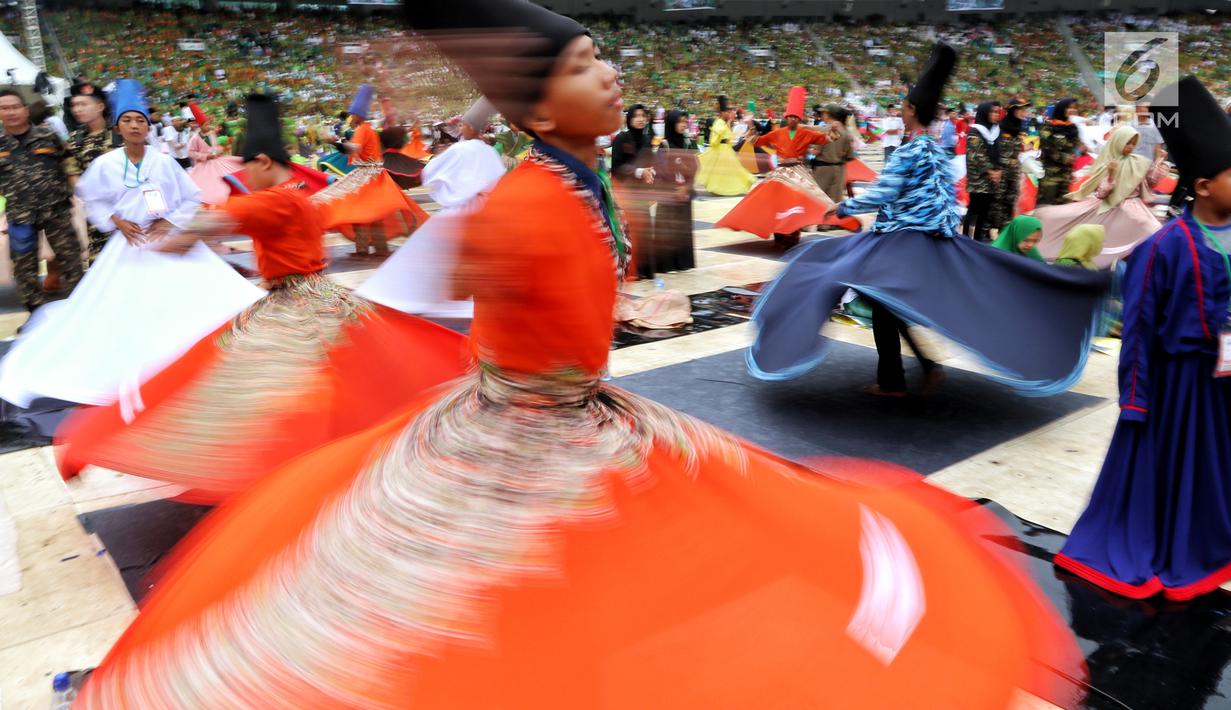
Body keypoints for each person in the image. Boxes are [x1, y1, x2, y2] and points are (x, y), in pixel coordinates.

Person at [74, 9, 1085, 708]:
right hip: (515, 434)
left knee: (653, 568)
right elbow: (434, 262)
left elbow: (550, 261)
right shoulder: (522, 200)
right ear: (544, 112)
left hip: (584, 412)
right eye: (582, 64)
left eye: (603, 54)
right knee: (430, 613)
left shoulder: (584, 179)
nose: (610, 73)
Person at [55, 94, 469, 504]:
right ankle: (347, 452)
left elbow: (208, 226)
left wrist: (168, 243)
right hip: (326, 297)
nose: (244, 178)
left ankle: (294, 464)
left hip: (294, 306)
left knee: (226, 379)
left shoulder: (268, 202)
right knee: (353, 375)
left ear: (264, 162)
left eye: (247, 169)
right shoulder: (300, 198)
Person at [749, 43, 1109, 399]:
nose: (901, 110)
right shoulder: (934, 148)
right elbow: (945, 199)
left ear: (909, 109)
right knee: (888, 306)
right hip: (930, 239)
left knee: (828, 271)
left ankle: (895, 380)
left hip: (902, 241)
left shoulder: (910, 150)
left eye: (903, 105)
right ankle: (921, 367)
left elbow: (884, 193)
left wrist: (840, 209)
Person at [1055, 77, 1231, 601]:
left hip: (1225, 382)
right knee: (1180, 471)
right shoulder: (1164, 248)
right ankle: (1179, 543)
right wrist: (1136, 399)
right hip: (1180, 390)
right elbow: (1138, 330)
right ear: (1202, 186)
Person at [0, 80, 262, 412]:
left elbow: (190, 197)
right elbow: (90, 197)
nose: (135, 126)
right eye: (128, 121)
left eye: (141, 121)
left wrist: (170, 222)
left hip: (165, 239)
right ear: (118, 127)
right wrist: (117, 220)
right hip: (129, 243)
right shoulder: (106, 164)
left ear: (148, 127)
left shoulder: (164, 161)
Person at [357, 96, 507, 318]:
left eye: (463, 126)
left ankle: (438, 293)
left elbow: (431, 171)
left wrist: (447, 189)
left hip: (463, 209)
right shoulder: (488, 150)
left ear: (468, 127)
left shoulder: (462, 149)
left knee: (437, 250)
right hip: (487, 210)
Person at [717, 86, 858, 248]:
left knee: (798, 202)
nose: (792, 119)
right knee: (777, 201)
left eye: (795, 117)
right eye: (790, 116)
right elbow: (757, 141)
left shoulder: (806, 133)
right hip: (780, 172)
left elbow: (828, 139)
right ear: (786, 116)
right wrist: (750, 124)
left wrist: (834, 130)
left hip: (798, 172)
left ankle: (793, 233)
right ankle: (779, 232)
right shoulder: (778, 133)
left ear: (799, 119)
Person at [312, 84, 430, 257]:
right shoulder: (368, 129)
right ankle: (375, 248)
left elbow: (354, 149)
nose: (349, 118)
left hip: (368, 176)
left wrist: (332, 142)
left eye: (351, 114)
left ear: (357, 116)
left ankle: (367, 248)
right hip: (374, 175)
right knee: (371, 212)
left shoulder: (362, 129)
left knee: (360, 210)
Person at [1033, 124, 1166, 268]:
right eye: (1128, 143)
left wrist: (1159, 162)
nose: (1131, 147)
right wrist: (1111, 176)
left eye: (1134, 143)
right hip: (1112, 205)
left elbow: (1150, 182)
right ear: (1118, 142)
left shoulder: (1139, 162)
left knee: (1153, 229)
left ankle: (1139, 261)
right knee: (1052, 216)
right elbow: (1102, 194)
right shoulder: (1108, 163)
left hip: (1133, 206)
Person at [0, 89, 83, 312]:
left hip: (56, 210)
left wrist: (77, 187)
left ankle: (82, 310)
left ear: (26, 110)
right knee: (25, 269)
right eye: (4, 108)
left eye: (15, 107)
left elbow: (69, 162)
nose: (10, 112)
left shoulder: (47, 136)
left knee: (71, 261)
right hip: (21, 215)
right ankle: (36, 315)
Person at [64, 82, 113, 262]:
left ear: (100, 106)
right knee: (102, 263)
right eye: (74, 105)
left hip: (128, 207)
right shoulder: (75, 140)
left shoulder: (119, 133)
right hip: (96, 212)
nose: (77, 109)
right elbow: (72, 174)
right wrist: (95, 196)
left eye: (83, 104)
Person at [650, 108, 699, 274]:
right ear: (672, 123)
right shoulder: (664, 145)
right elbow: (662, 169)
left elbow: (695, 166)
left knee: (683, 227)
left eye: (685, 121)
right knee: (668, 227)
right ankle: (667, 263)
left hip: (684, 191)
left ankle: (682, 262)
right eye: (679, 121)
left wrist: (686, 187)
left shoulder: (688, 143)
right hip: (669, 192)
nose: (683, 125)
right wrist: (675, 188)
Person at [611, 104, 656, 279]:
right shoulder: (622, 138)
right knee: (631, 230)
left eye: (643, 115)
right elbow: (617, 166)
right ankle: (630, 269)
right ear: (629, 119)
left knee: (644, 228)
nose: (640, 119)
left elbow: (651, 162)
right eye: (636, 115)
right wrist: (639, 172)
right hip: (625, 191)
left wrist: (651, 172)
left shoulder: (647, 139)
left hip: (641, 192)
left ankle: (644, 269)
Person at [694, 95, 755, 196]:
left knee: (732, 171)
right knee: (723, 172)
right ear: (722, 113)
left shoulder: (724, 123)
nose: (730, 114)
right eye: (727, 112)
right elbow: (714, 140)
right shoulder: (719, 123)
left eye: (730, 112)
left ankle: (727, 188)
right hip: (721, 151)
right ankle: (721, 189)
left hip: (726, 150)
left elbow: (729, 138)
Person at [962, 100, 1003, 242]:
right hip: (978, 179)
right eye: (992, 112)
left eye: (998, 112)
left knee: (985, 212)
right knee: (974, 210)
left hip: (992, 180)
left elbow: (1000, 153)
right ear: (985, 113)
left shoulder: (996, 131)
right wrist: (992, 171)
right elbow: (976, 156)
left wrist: (999, 171)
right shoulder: (975, 131)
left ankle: (978, 239)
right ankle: (966, 238)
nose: (996, 115)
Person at [990, 99, 1027, 230]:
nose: (1024, 112)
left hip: (1014, 169)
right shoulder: (999, 128)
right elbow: (993, 150)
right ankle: (993, 229)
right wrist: (995, 169)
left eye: (1024, 109)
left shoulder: (1019, 128)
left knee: (1011, 198)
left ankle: (1006, 229)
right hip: (1001, 169)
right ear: (1013, 110)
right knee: (997, 199)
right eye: (1021, 109)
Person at [1037, 98, 1080, 206]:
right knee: (1047, 206)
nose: (1072, 110)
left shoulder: (1072, 128)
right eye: (1069, 107)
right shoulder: (1049, 127)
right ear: (1062, 108)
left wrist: (1077, 153)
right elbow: (1046, 148)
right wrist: (1065, 158)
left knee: (1063, 207)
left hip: (1066, 174)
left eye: (1074, 108)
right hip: (1051, 176)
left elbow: (1075, 146)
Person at [811, 103, 856, 203]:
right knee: (835, 203)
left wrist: (806, 150)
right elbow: (850, 156)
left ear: (828, 114)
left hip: (823, 170)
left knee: (819, 201)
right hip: (839, 171)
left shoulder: (824, 130)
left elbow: (816, 151)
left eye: (823, 113)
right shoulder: (846, 133)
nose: (821, 115)